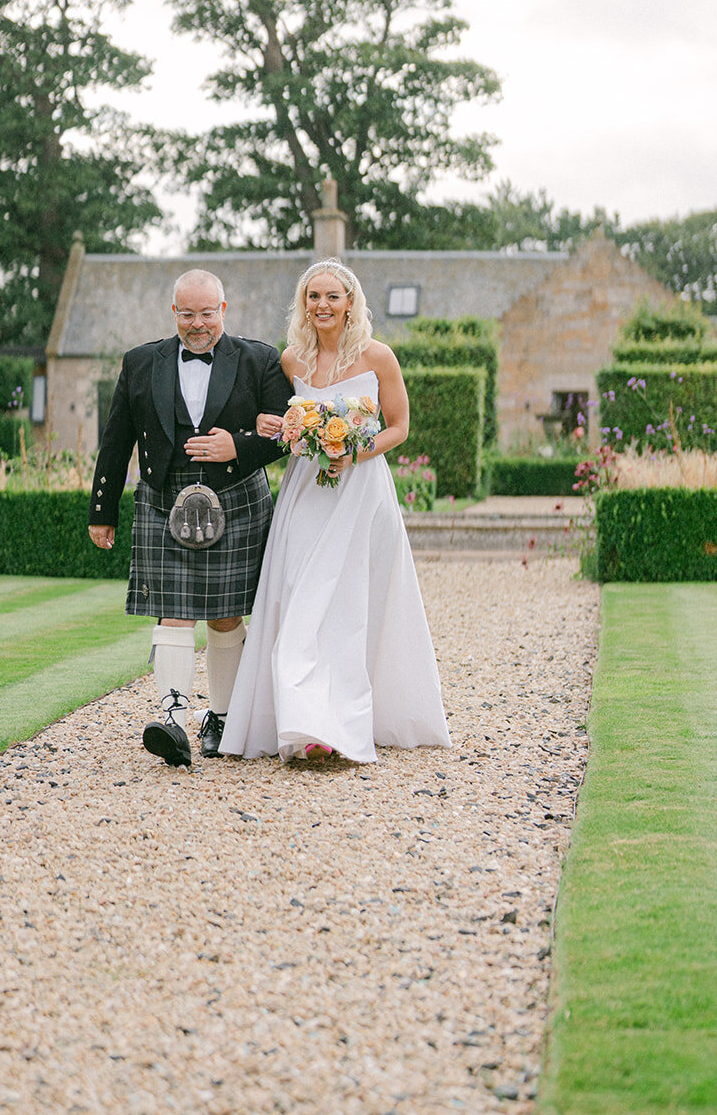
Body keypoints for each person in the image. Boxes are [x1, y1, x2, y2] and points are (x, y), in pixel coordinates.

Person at [220, 258, 451, 763]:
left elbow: (399, 426)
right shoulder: (291, 361)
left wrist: (355, 451)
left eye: (332, 297)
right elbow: (281, 424)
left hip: (363, 490)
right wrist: (276, 425)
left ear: (350, 303)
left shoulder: (378, 357)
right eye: (313, 297)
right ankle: (304, 721)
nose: (321, 305)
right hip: (308, 490)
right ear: (303, 304)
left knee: (352, 603)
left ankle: (347, 718)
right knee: (300, 595)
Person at [88, 269, 290, 767]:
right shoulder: (140, 363)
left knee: (226, 615)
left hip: (237, 494)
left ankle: (221, 719)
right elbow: (116, 440)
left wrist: (236, 447)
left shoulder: (259, 359)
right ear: (173, 312)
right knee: (172, 611)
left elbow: (289, 430)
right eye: (187, 313)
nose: (197, 324)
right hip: (162, 494)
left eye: (206, 313)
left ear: (224, 309)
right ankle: (174, 719)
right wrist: (103, 508)